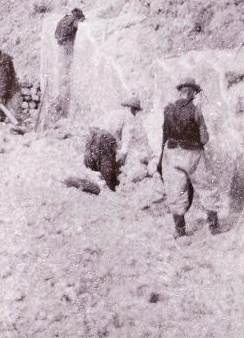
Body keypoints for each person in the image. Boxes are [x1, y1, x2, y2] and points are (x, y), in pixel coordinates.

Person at [160, 78, 221, 238]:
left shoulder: (168, 109)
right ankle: (214, 227)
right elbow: (204, 138)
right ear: (193, 93)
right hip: (194, 154)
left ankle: (180, 231)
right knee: (207, 187)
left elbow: (164, 135)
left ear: (180, 92)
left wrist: (162, 158)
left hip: (172, 153)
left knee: (175, 192)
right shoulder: (196, 110)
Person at [83, 94, 153, 191]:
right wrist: (123, 156)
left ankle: (91, 186)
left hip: (92, 134)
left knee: (92, 163)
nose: (136, 113)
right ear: (133, 109)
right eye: (136, 110)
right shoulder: (129, 117)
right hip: (105, 137)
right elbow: (126, 137)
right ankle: (110, 190)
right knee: (107, 165)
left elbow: (94, 125)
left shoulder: (114, 112)